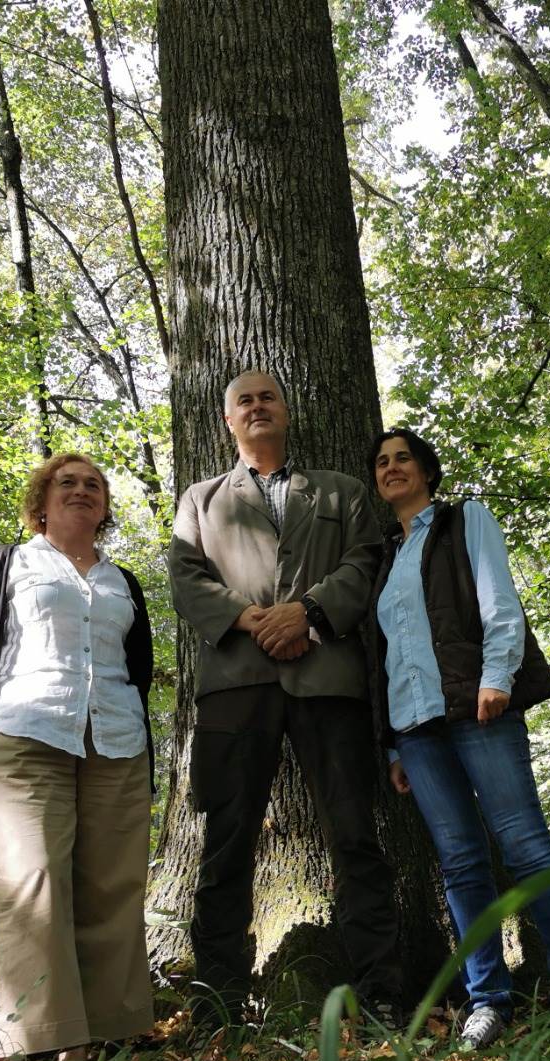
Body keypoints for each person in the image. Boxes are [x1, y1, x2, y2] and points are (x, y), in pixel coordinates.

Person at [169, 369, 402, 1025]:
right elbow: (187, 580)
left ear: (287, 410)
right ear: (228, 420)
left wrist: (308, 613)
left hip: (327, 679)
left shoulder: (342, 491)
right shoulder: (201, 500)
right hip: (234, 689)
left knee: (355, 834)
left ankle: (381, 989)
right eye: (244, 400)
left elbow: (364, 562)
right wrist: (254, 620)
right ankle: (219, 1002)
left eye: (268, 395)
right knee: (226, 843)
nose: (257, 405)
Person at [366, 428, 550, 1050]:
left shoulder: (464, 519)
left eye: (403, 459)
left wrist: (497, 675)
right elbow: (388, 653)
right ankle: (487, 1001)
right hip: (414, 726)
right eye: (382, 463)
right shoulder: (384, 555)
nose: (392, 469)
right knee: (461, 864)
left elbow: (500, 601)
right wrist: (392, 742)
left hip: (478, 707)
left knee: (525, 847)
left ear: (426, 470)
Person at [0, 453, 155, 1061]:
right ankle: (16, 1042)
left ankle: (95, 1041)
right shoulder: (7, 564)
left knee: (111, 887)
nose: (82, 491)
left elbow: (137, 670)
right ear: (41, 502)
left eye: (94, 484)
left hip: (116, 743)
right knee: (31, 883)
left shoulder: (123, 581)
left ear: (106, 507)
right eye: (68, 482)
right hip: (28, 739)